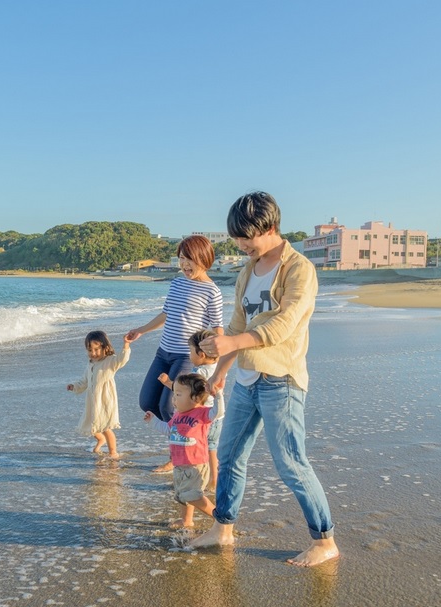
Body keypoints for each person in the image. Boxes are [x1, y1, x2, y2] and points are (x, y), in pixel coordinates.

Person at [189, 191, 340, 568]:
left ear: (269, 227)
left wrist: (232, 342)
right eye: (237, 238)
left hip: (282, 379)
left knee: (291, 462)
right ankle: (222, 529)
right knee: (229, 455)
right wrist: (219, 370)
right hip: (246, 380)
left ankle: (325, 541)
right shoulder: (247, 271)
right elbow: (237, 325)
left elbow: (284, 324)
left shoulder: (298, 268)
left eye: (246, 237)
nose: (241, 245)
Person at [126, 235, 224, 472]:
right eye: (181, 259)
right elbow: (166, 314)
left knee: (169, 407)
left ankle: (178, 456)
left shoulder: (212, 292)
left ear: (204, 259)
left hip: (186, 357)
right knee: (147, 402)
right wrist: (141, 330)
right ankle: (184, 445)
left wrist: (216, 368)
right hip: (163, 353)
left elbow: (218, 330)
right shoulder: (177, 284)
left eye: (189, 259)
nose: (184, 264)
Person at [144, 373, 221, 528]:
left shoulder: (202, 413)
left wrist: (218, 396)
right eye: (174, 394)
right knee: (182, 495)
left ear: (195, 398)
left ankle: (220, 517)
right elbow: (168, 429)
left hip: (195, 464)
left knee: (192, 495)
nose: (174, 399)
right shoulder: (178, 415)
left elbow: (218, 412)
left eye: (178, 395)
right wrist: (153, 421)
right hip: (179, 464)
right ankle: (187, 520)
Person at [158, 329, 226, 490]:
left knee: (194, 447)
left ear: (201, 354)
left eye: (191, 351)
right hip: (217, 415)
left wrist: (168, 383)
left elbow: (189, 392)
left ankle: (193, 477)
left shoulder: (199, 372)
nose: (189, 355)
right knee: (211, 447)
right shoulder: (219, 368)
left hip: (201, 417)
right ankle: (213, 479)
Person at [67, 330, 133, 459]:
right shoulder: (90, 364)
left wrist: (126, 344)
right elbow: (84, 381)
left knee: (105, 427)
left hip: (105, 400)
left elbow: (122, 359)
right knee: (90, 423)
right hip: (92, 401)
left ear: (105, 348)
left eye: (96, 349)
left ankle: (113, 452)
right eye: (90, 350)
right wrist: (74, 386)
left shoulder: (110, 361)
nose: (93, 353)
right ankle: (101, 439)